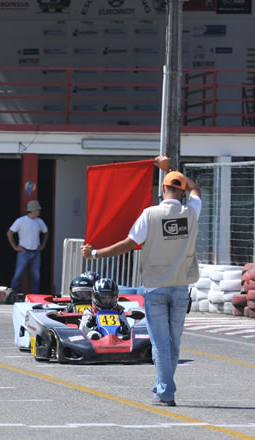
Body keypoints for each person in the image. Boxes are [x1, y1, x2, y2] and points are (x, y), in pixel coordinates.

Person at [80, 155, 200, 407]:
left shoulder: (150, 214)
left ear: (163, 189)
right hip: (181, 287)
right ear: (181, 192)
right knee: (174, 342)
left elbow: (128, 243)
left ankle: (166, 391)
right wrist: (170, 169)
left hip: (156, 287)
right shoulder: (192, 212)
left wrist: (95, 253)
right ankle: (161, 387)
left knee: (160, 343)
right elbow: (195, 188)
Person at [7, 199, 48, 294]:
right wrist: (15, 247)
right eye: (38, 210)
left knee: (36, 276)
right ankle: (12, 295)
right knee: (18, 274)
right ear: (33, 210)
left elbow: (46, 232)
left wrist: (43, 245)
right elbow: (9, 233)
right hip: (24, 252)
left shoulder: (39, 221)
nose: (39, 212)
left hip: (36, 252)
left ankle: (35, 295)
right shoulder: (20, 221)